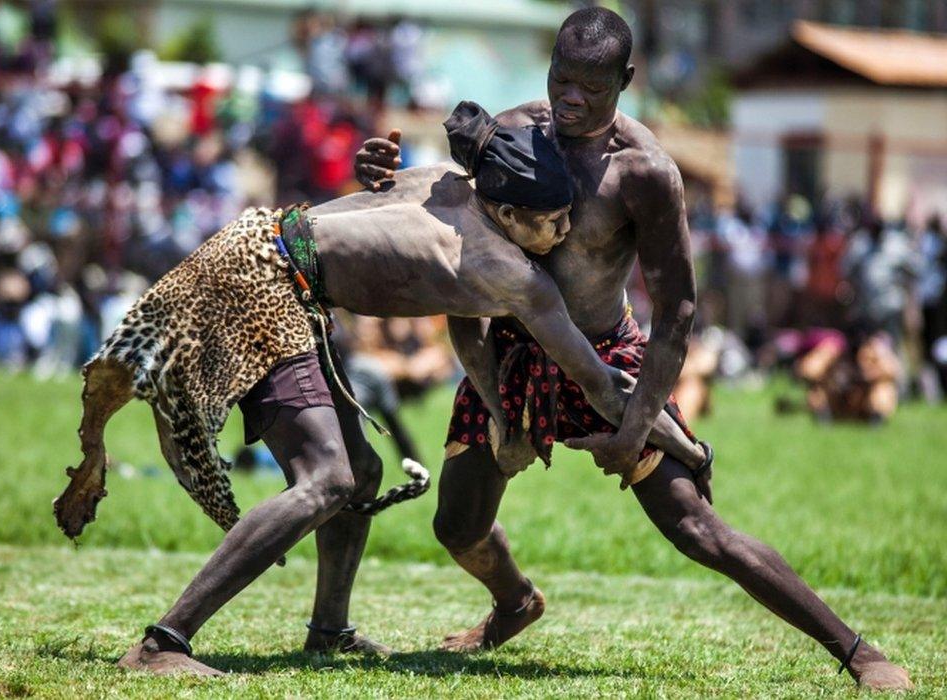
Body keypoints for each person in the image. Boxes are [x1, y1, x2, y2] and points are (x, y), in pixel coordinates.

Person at [355, 7, 911, 690]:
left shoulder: (645, 172)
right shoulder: (517, 131)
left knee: (695, 528)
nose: (570, 99)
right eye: (562, 77)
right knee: (458, 525)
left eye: (591, 87)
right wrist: (384, 175)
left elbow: (677, 308)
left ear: (626, 80)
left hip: (603, 360)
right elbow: (443, 212)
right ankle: (514, 602)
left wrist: (639, 422)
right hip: (511, 350)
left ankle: (859, 653)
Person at [55, 101, 707, 676]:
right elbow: (597, 381)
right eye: (554, 221)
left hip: (256, 254)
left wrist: (495, 407)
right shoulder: (514, 272)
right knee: (327, 479)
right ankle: (163, 642)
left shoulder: (446, 186)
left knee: (359, 472)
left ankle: (329, 630)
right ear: (509, 213)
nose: (563, 235)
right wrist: (686, 444)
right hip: (262, 282)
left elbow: (464, 321)